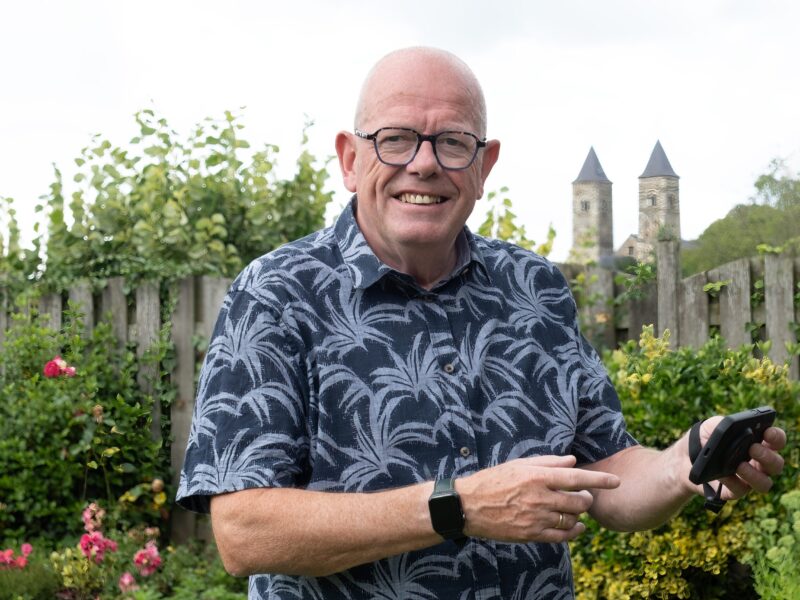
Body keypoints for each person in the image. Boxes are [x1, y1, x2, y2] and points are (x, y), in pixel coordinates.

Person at [177, 47, 786, 599]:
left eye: (452, 141)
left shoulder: (536, 289)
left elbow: (608, 472)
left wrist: (680, 465)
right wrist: (457, 506)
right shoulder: (278, 293)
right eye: (395, 139)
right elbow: (244, 531)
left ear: (484, 165)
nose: (423, 164)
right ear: (350, 158)